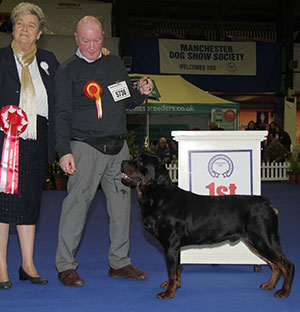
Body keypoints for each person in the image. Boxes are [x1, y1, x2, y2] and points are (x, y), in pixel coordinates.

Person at [54, 16, 153, 287]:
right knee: (75, 207)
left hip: (118, 149)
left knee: (121, 208)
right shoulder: (67, 70)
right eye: (85, 40)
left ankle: (119, 263)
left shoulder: (114, 62)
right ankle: (65, 266)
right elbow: (60, 114)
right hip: (84, 147)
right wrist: (64, 150)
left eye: (97, 40)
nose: (91, 46)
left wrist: (141, 92)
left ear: (104, 37)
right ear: (76, 38)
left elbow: (125, 99)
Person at [0, 2, 60, 289]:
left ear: (39, 33)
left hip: (37, 141)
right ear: (13, 27)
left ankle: (28, 263)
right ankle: (1, 267)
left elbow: (64, 96)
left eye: (31, 25)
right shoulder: (0, 59)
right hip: (4, 145)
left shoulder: (49, 61)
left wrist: (101, 58)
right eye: (20, 23)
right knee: (2, 206)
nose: (25, 29)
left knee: (29, 204)